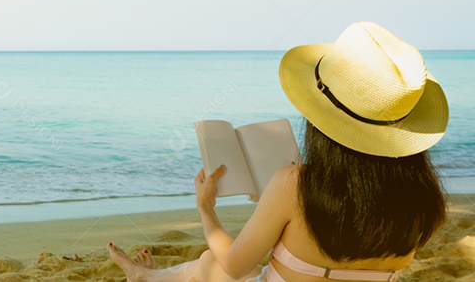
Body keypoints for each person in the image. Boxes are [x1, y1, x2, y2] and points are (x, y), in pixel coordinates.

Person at [107, 22, 449, 282]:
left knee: (216, 262)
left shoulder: (296, 185)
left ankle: (146, 278)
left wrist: (206, 207)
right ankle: (148, 277)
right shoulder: (422, 199)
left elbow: (235, 264)